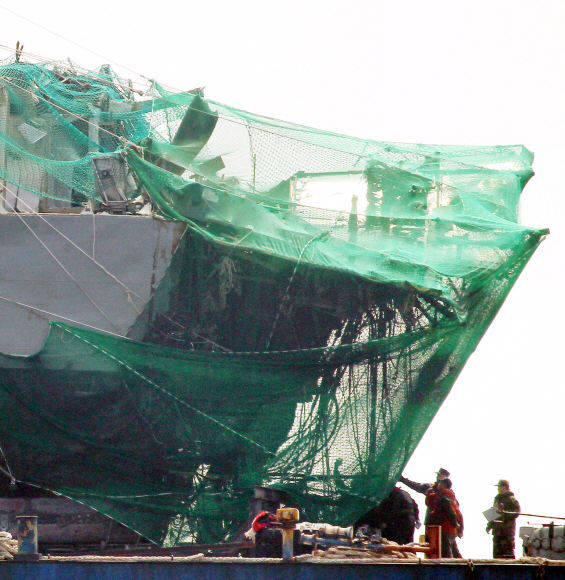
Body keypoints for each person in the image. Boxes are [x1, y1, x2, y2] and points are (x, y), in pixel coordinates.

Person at [400, 468, 464, 556]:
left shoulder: (447, 495)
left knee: (446, 550)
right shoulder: (435, 489)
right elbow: (417, 486)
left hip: (444, 527)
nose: (438, 478)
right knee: (434, 548)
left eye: (440, 476)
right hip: (434, 524)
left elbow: (454, 512)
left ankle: (456, 567)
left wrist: (458, 527)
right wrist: (403, 480)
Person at [354, 486, 420, 544]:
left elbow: (386, 512)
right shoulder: (404, 493)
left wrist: (381, 524)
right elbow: (415, 506)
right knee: (409, 546)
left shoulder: (388, 495)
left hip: (399, 523)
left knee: (392, 545)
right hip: (409, 522)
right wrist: (417, 519)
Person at [486, 479, 521, 559]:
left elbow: (517, 512)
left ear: (504, 487)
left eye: (500, 487)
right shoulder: (497, 499)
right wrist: (489, 525)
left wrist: (505, 515)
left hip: (507, 530)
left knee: (507, 552)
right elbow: (494, 512)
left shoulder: (511, 499)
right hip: (497, 530)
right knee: (497, 553)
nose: (498, 489)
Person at [426, 478, 460, 558]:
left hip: (444, 529)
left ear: (444, 485)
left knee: (446, 553)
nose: (438, 485)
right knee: (454, 551)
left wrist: (455, 523)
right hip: (451, 530)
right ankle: (462, 565)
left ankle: (450, 568)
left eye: (440, 484)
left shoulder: (444, 498)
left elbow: (450, 512)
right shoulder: (451, 497)